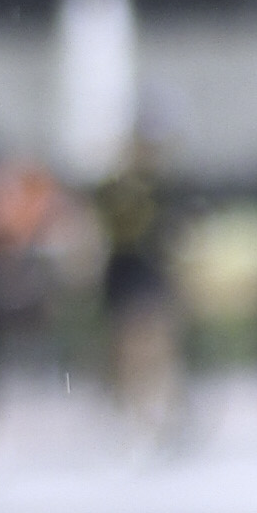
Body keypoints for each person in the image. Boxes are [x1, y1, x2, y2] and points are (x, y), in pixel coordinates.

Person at [91, 122, 182, 436]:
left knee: (157, 338)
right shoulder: (115, 190)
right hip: (127, 268)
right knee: (128, 339)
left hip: (151, 268)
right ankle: (131, 405)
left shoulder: (161, 189)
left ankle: (157, 407)